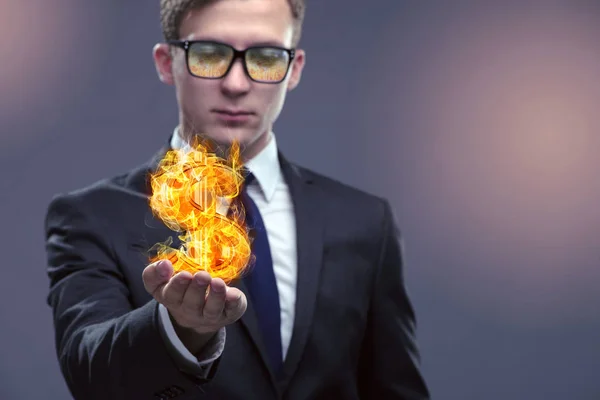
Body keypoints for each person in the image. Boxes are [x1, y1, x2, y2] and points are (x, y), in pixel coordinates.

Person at [44, 0, 430, 399]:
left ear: (293, 68)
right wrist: (175, 329)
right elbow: (89, 372)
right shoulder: (92, 217)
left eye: (264, 57)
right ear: (166, 62)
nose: (236, 83)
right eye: (210, 54)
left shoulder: (364, 222)